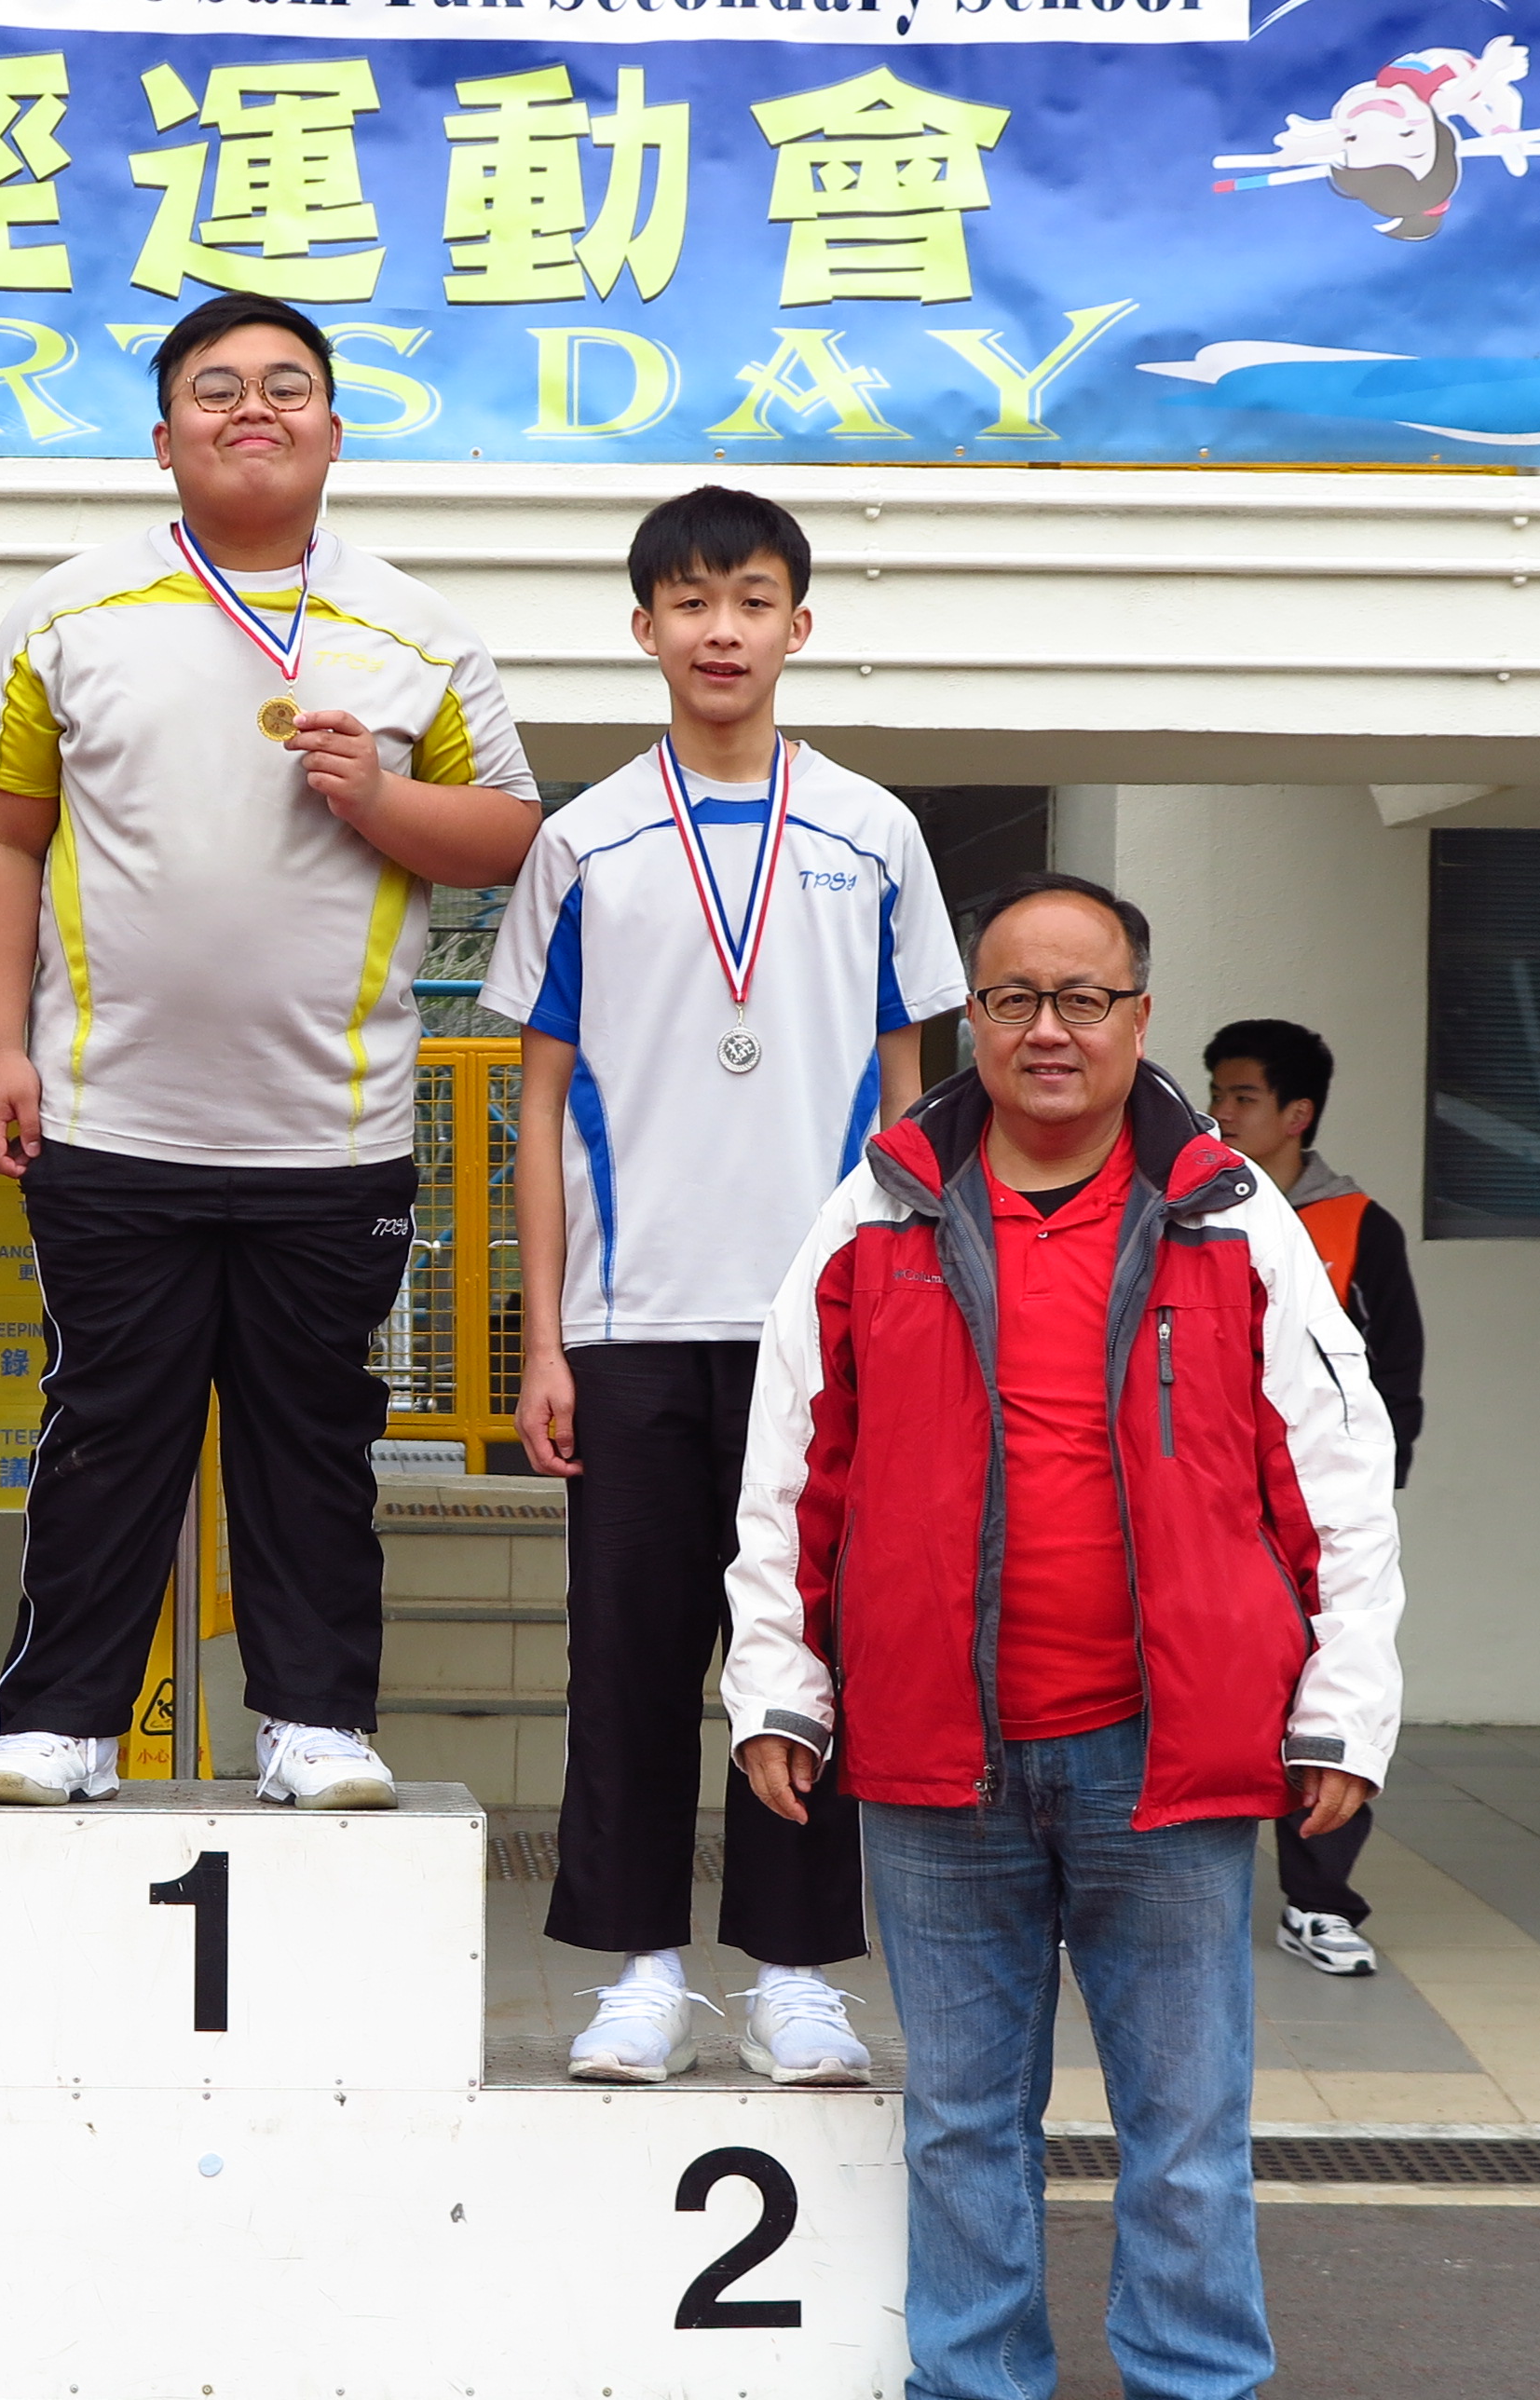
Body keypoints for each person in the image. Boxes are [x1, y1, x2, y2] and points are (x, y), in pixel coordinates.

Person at [725, 876, 1402, 2400]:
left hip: (1162, 1746)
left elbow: (1336, 1467)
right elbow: (791, 1459)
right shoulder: (877, 1209)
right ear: (971, 1015)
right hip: (933, 1747)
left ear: (1138, 1018)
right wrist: (777, 1681)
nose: (1048, 1029)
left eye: (1082, 998)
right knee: (963, 2113)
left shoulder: (1228, 1215)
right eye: (1014, 997)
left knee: (1184, 2115)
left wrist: (1343, 1703)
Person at [0, 294, 539, 1814]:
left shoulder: (416, 630)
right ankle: (64, 1721)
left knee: (313, 1437)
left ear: (334, 431)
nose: (253, 408)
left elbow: (504, 837)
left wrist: (379, 799)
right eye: (216, 389)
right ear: (164, 438)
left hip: (331, 1132)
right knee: (104, 1428)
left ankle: (314, 1719)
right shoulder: (67, 613)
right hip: (108, 1118)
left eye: (287, 385)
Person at [488, 486, 965, 2088]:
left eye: (751, 600)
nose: (721, 630)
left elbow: (906, 1101)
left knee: (813, 1654)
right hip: (630, 1328)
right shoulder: (585, 841)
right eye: (690, 601)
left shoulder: (875, 834)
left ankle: (794, 1973)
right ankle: (638, 1969)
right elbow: (539, 1102)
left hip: (823, 1332)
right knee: (627, 1655)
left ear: (797, 626)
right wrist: (544, 1337)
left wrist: (903, 1314)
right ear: (644, 628)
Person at [1204, 1016, 1425, 1983]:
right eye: (1216, 1093)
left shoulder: (1358, 1226)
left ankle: (1318, 1902)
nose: (1221, 1112)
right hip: (1211, 1503)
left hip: (1309, 1512)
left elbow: (1395, 1376)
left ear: (1297, 1114)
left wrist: (1372, 1494)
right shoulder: (1187, 1206)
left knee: (1327, 1690)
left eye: (1243, 1097)